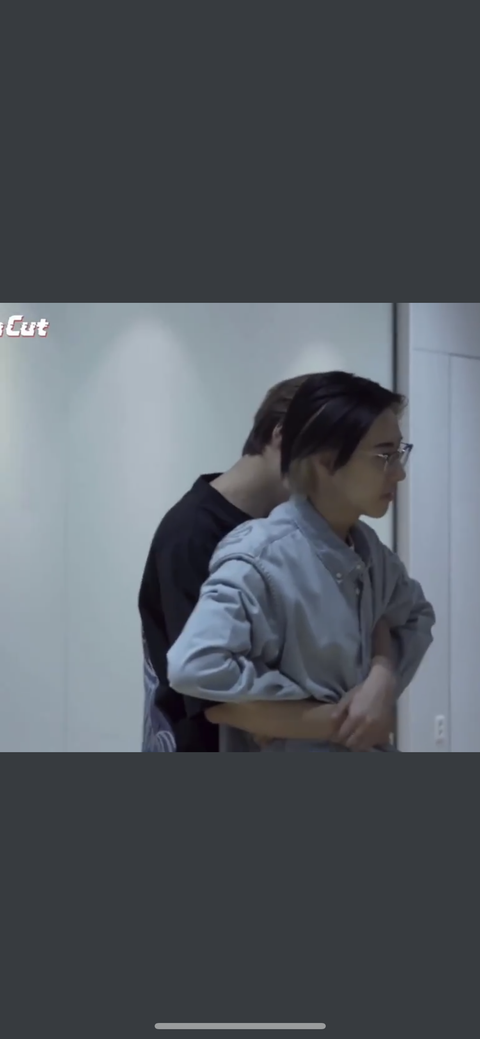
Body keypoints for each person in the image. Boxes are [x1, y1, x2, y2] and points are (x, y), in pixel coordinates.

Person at [167, 372, 436, 753]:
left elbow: (414, 616)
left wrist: (383, 674)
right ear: (326, 461)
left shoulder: (370, 551)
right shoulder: (261, 556)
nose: (400, 472)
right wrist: (306, 713)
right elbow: (195, 664)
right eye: (384, 455)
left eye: (400, 452)